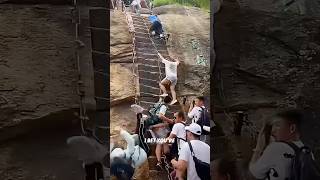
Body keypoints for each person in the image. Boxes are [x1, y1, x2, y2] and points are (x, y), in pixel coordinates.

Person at [249, 109, 313, 180]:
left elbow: (255, 173)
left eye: (278, 125)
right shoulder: (306, 150)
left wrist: (259, 147)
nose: (273, 130)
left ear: (292, 128)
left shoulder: (276, 148)